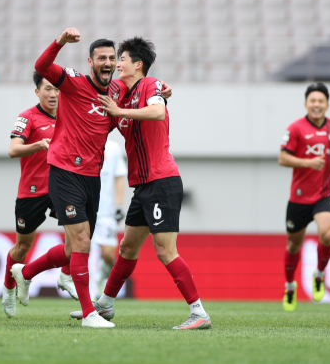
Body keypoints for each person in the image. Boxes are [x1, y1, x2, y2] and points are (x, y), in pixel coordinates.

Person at [11, 28, 171, 329]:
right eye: (102, 58)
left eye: (113, 57)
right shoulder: (73, 83)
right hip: (64, 173)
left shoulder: (117, 93)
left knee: (74, 248)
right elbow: (42, 67)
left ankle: (26, 272)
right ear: (90, 62)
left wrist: (162, 89)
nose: (108, 62)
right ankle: (89, 314)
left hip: (91, 177)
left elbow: (142, 91)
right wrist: (59, 41)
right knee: (82, 241)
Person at [75, 36, 211, 330]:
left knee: (165, 251)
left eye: (121, 59)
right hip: (143, 186)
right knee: (127, 249)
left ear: (138, 65)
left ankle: (199, 312)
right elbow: (106, 101)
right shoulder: (122, 94)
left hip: (162, 181)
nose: (116, 63)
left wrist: (121, 111)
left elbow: (158, 111)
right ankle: (106, 304)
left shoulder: (150, 86)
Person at [1, 71, 78, 319]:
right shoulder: (28, 118)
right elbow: (13, 150)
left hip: (61, 187)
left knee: (77, 237)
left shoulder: (70, 114)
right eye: (48, 89)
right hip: (32, 190)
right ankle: (9, 287)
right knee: (22, 247)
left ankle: (66, 276)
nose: (54, 94)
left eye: (57, 89)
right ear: (37, 92)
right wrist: (38, 144)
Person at [278, 82, 330, 311]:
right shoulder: (296, 128)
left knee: (327, 235)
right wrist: (308, 163)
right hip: (299, 197)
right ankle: (290, 286)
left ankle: (319, 274)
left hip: (327, 192)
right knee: (292, 245)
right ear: (306, 104)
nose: (316, 105)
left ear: (327, 104)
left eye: (321, 101)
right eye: (313, 101)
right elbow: (283, 159)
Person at [92, 139, 127, 295]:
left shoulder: (113, 148)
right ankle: (91, 292)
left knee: (108, 254)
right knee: (83, 252)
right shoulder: (82, 141)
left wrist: (119, 205)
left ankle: (101, 277)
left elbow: (119, 177)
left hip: (106, 211)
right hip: (86, 211)